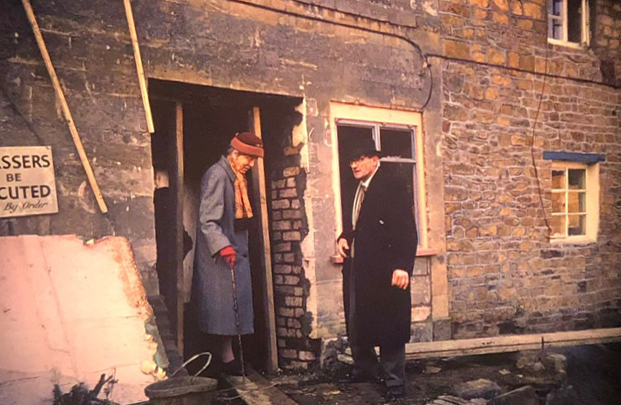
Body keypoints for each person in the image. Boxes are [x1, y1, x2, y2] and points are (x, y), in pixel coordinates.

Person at [336, 138, 417, 401]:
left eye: (360, 159)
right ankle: (365, 369)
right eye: (351, 160)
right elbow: (357, 224)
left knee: (389, 324)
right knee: (357, 319)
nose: (354, 165)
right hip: (359, 268)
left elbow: (406, 229)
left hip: (386, 269)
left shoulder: (391, 185)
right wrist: (343, 237)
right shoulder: (356, 187)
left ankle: (395, 383)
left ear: (375, 160)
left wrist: (403, 266)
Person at [192, 132, 264, 377]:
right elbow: (207, 220)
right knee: (222, 311)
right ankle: (224, 362)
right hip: (220, 256)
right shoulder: (218, 175)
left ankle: (229, 359)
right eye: (249, 159)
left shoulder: (235, 176)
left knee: (231, 311)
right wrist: (223, 246)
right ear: (235, 154)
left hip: (235, 250)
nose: (251, 165)